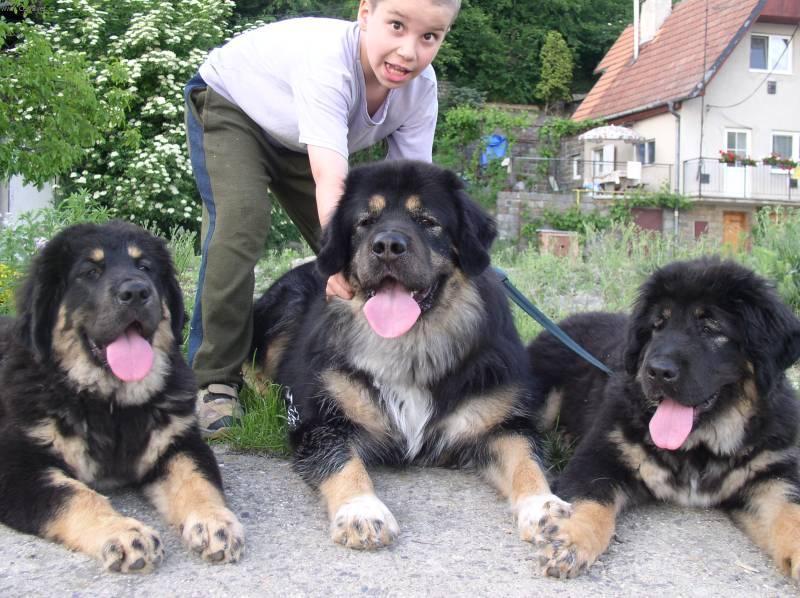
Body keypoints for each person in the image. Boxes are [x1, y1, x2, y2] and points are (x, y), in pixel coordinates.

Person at [183, 0, 461, 437]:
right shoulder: (330, 64)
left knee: (377, 251)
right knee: (241, 227)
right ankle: (214, 379)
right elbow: (332, 177)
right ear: (365, 13)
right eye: (396, 26)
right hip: (233, 106)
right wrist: (336, 262)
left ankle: (386, 370)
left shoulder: (420, 88)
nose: (409, 51)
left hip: (303, 140)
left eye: (429, 37)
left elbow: (410, 189)